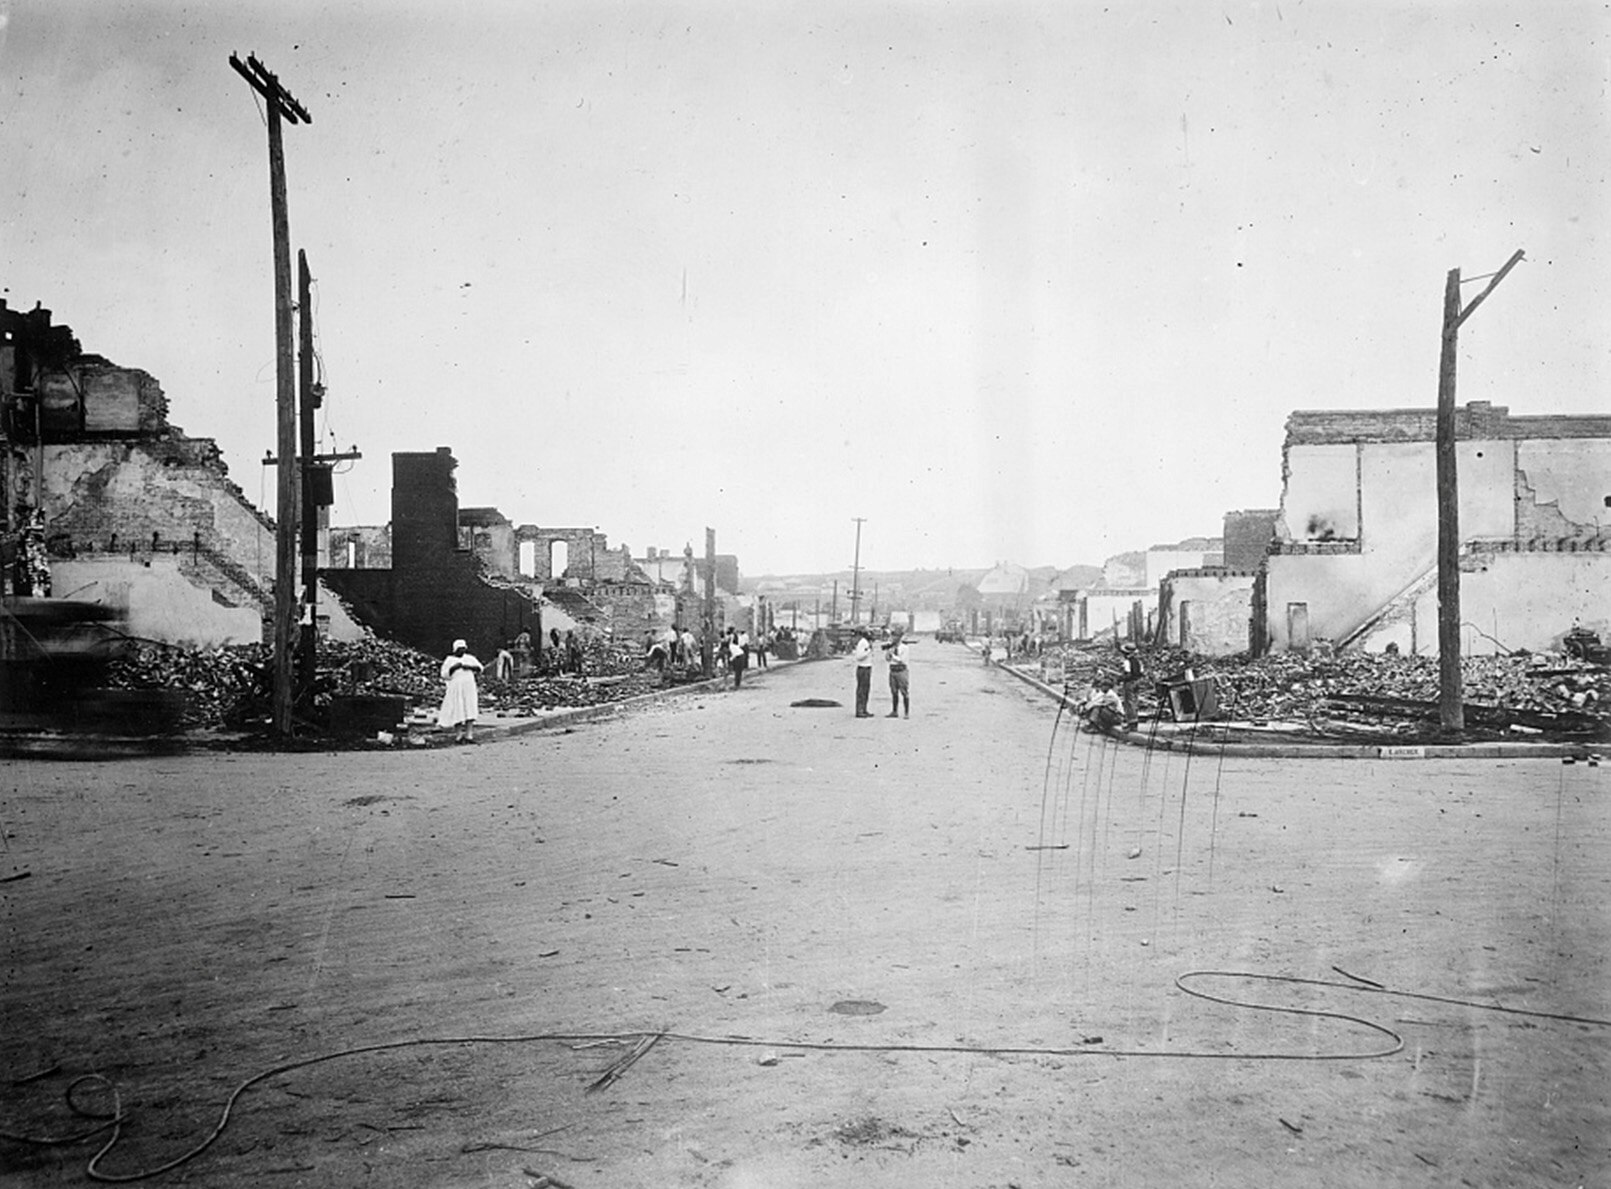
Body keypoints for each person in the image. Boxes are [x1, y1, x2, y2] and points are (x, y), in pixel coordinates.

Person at [439, 638, 484, 744]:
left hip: (469, 687)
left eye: (464, 648)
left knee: (470, 709)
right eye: (460, 649)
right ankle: (459, 736)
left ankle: (469, 735)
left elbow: (480, 668)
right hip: (456, 687)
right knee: (457, 710)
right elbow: (444, 675)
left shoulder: (469, 658)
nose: (462, 651)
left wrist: (469, 667)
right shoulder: (449, 660)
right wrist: (454, 668)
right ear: (455, 649)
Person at [1116, 642, 1145, 731]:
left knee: (1129, 703)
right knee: (1135, 702)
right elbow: (1141, 673)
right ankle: (1134, 723)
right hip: (1138, 682)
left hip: (1130, 683)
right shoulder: (1139, 661)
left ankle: (1132, 723)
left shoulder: (1127, 662)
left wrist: (1120, 679)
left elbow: (1128, 675)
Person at [883, 626, 910, 718]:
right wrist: (888, 653)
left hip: (901, 670)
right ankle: (895, 711)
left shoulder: (904, 648)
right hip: (893, 669)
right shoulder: (891, 647)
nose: (894, 638)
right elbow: (887, 659)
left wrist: (892, 656)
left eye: (896, 636)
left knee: (904, 692)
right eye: (893, 636)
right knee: (894, 692)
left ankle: (906, 712)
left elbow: (902, 660)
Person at [852, 627, 874, 717]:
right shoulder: (863, 643)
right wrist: (868, 651)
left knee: (866, 689)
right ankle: (860, 710)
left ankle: (864, 709)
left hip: (867, 667)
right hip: (863, 668)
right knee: (861, 690)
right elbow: (859, 656)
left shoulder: (866, 642)